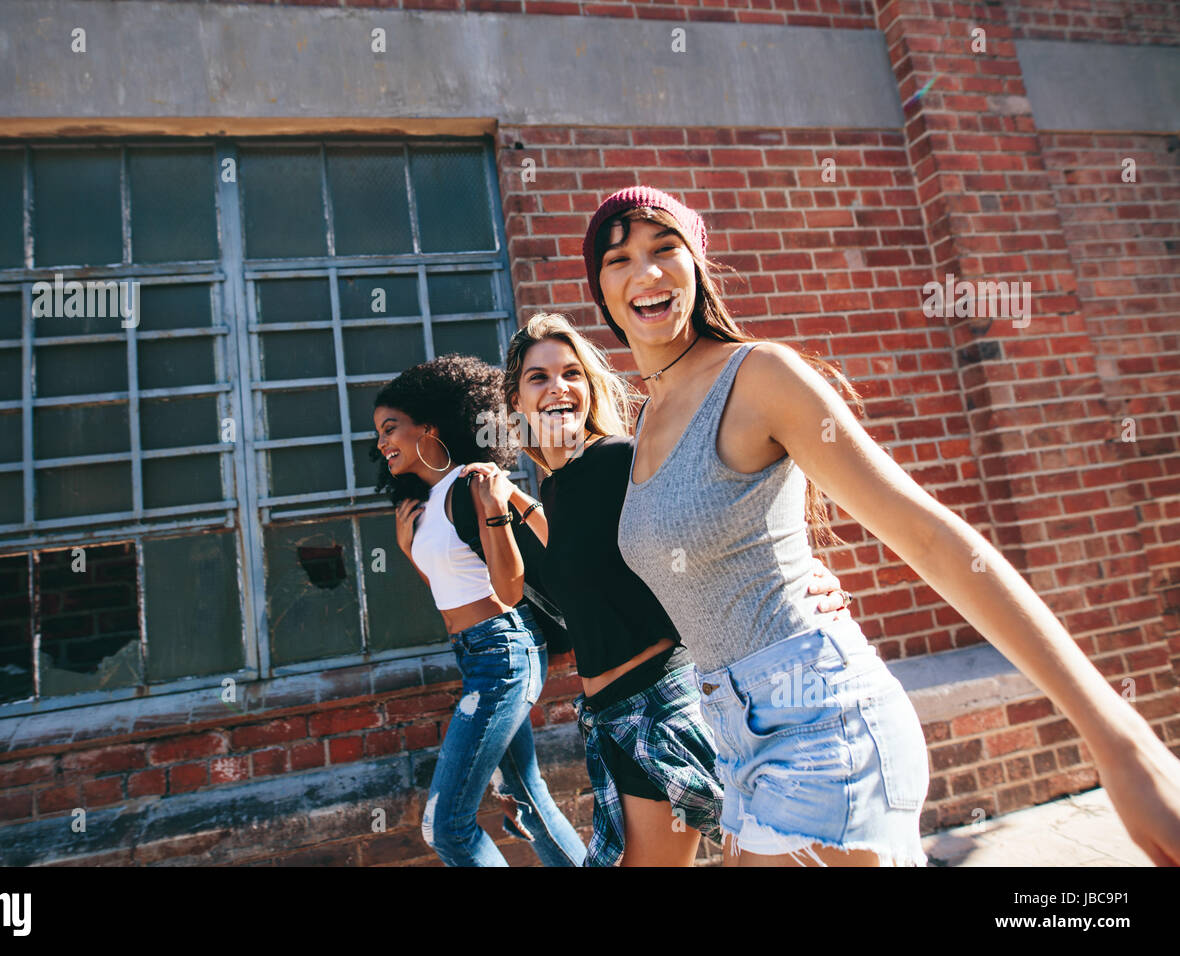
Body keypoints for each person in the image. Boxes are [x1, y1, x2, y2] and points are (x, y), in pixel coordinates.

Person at [580, 184, 1180, 867]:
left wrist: (1118, 740)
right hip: (736, 740)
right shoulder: (646, 419)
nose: (647, 273)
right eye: (619, 258)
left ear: (698, 264)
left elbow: (929, 535)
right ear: (600, 287)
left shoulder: (758, 376)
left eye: (666, 249)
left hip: (822, 726)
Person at [460, 312, 851, 865]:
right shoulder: (560, 489)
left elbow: (715, 515)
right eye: (538, 378)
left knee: (780, 856)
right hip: (611, 718)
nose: (557, 388)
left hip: (666, 705)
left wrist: (805, 573)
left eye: (571, 373)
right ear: (517, 403)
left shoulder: (622, 459)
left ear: (590, 386)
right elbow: (536, 576)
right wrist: (505, 507)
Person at [372, 354, 586, 867]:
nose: (381, 444)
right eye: (377, 434)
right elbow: (450, 588)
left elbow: (524, 576)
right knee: (529, 802)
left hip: (504, 651)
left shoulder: (472, 483)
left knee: (445, 826)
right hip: (474, 654)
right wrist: (408, 551)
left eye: (390, 428)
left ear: (429, 426)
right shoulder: (422, 504)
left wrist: (500, 510)